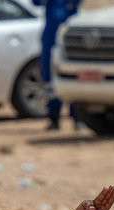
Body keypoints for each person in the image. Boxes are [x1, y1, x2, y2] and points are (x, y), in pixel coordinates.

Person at [32, 0, 81, 131]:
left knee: (73, 76)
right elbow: (35, 2)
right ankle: (54, 117)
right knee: (49, 78)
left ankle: (77, 117)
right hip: (51, 37)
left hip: (69, 37)